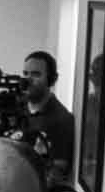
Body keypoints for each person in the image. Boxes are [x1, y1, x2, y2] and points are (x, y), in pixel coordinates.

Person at [16, 50, 77, 178]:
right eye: (25, 74)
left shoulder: (61, 119)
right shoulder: (15, 106)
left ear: (52, 80)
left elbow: (58, 171)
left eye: (36, 74)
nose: (28, 80)